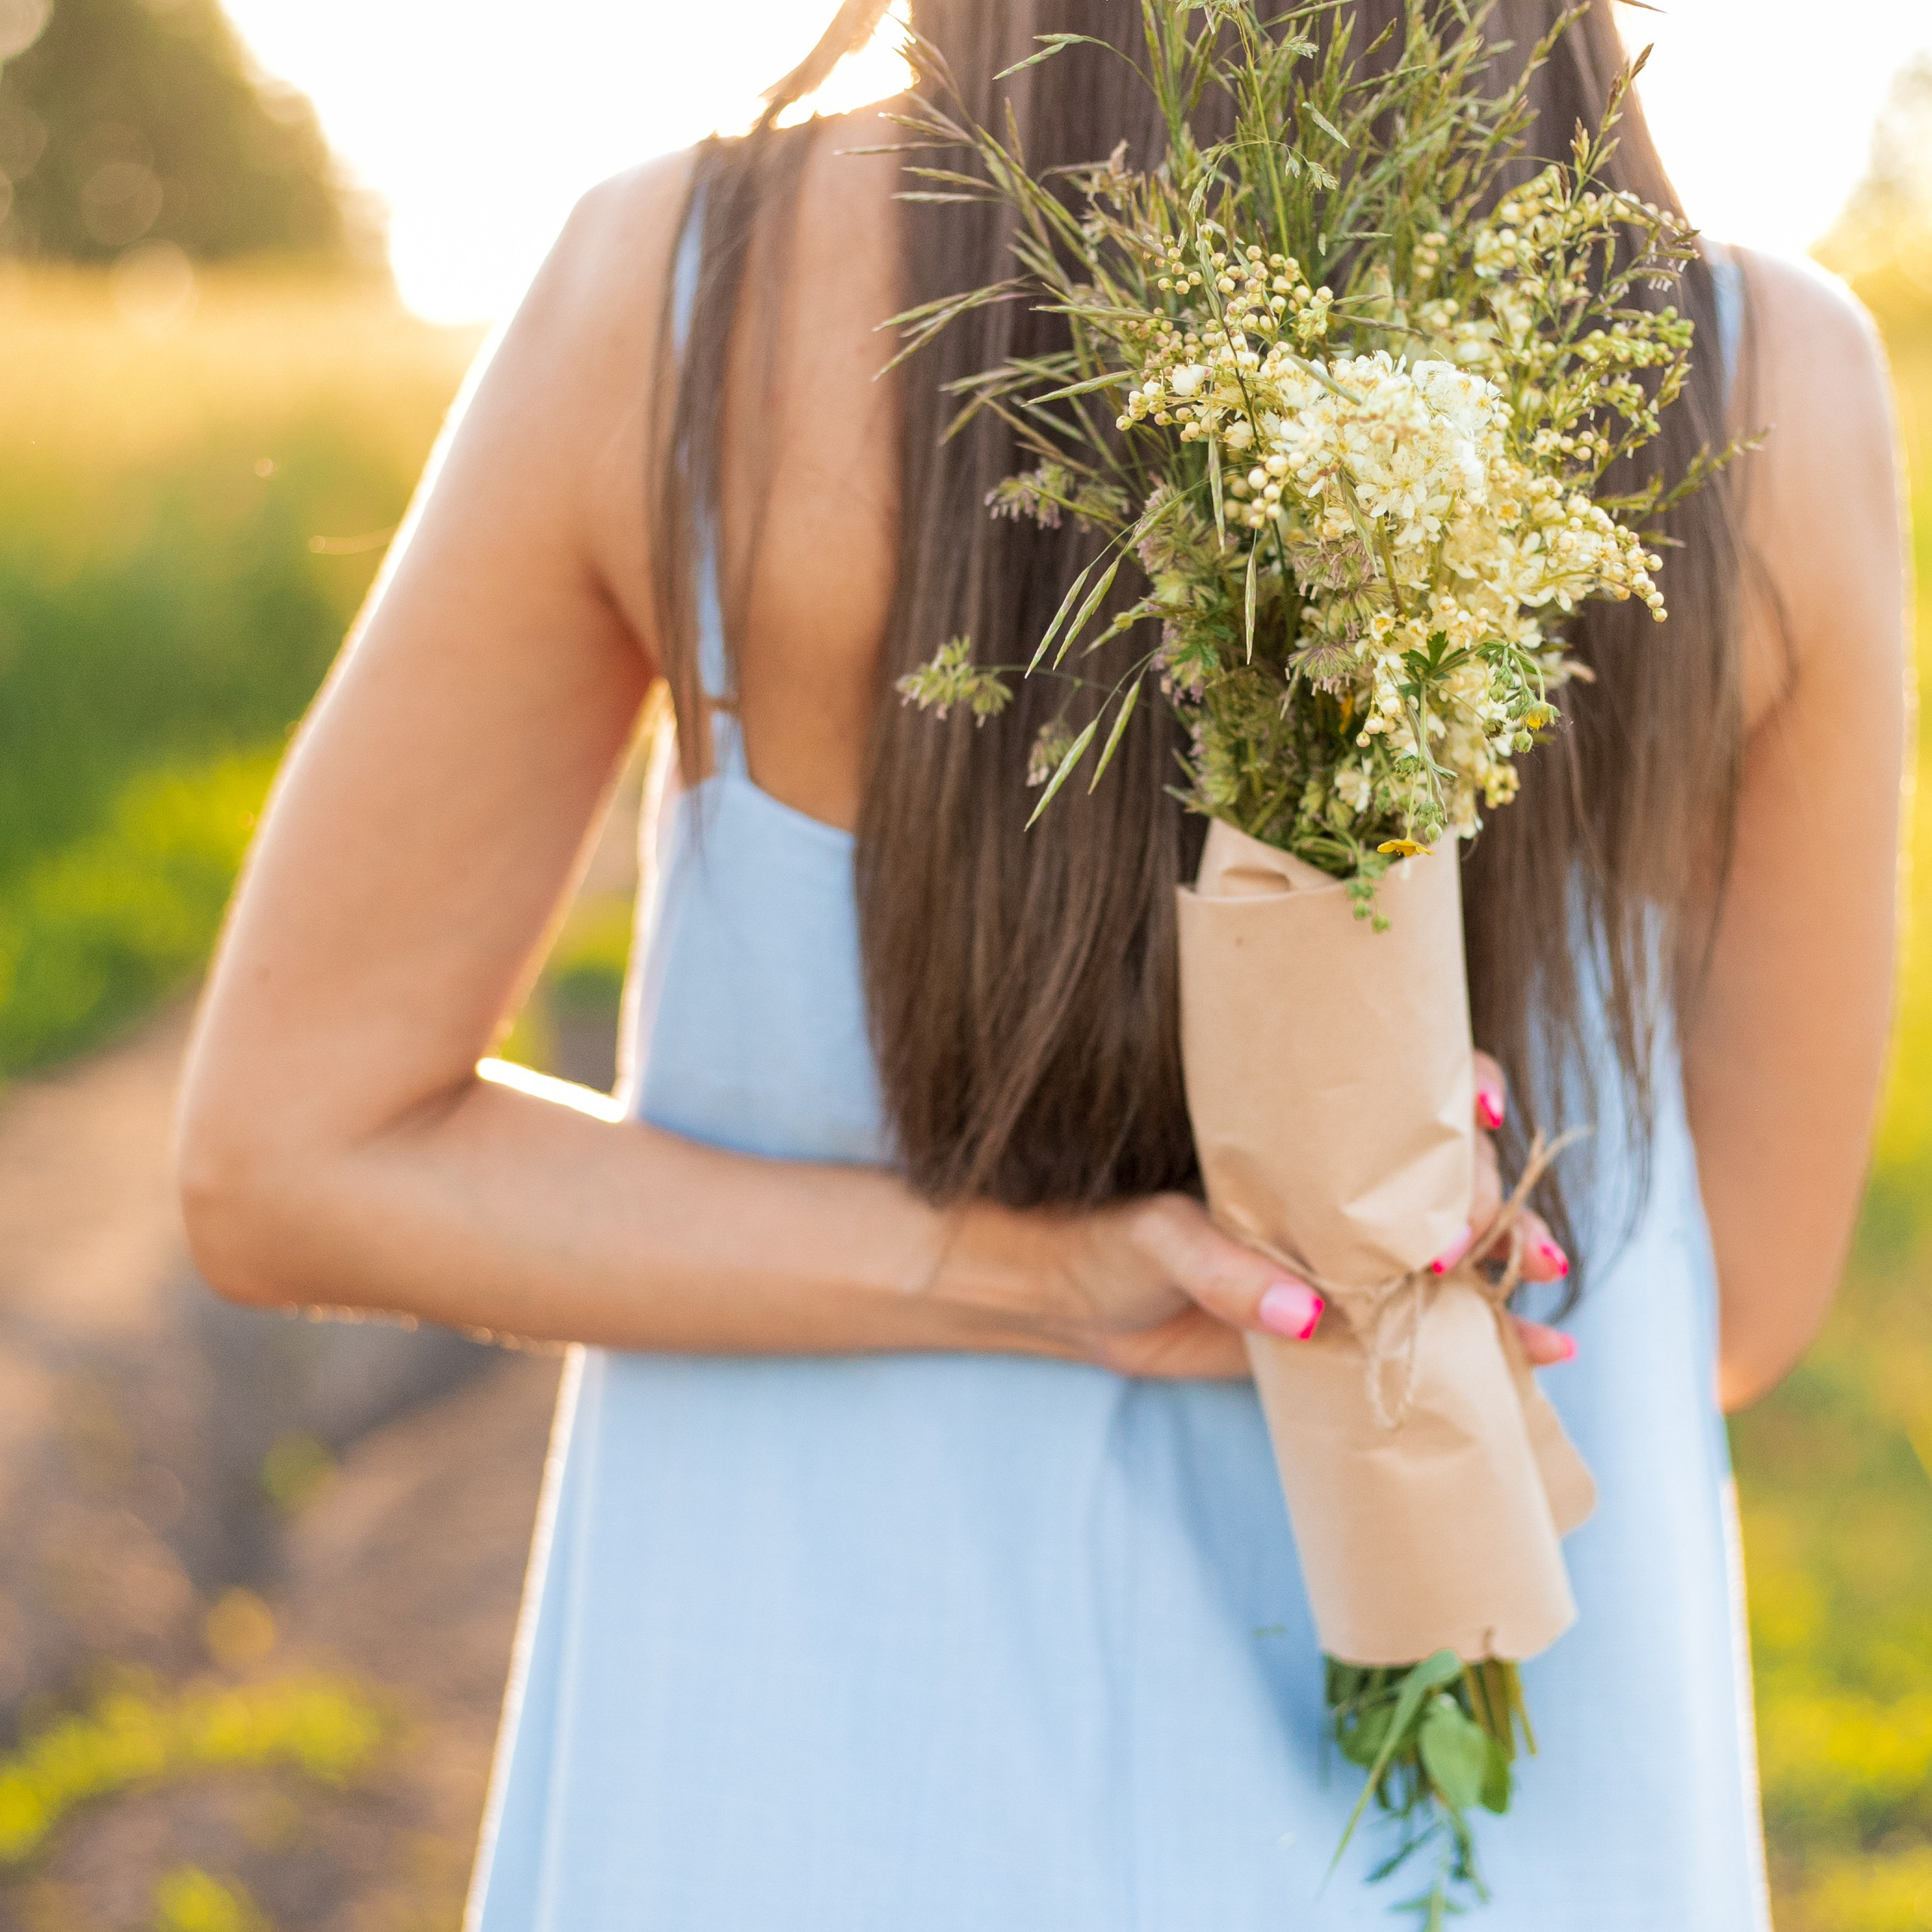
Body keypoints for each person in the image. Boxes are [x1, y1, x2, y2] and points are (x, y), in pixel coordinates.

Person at [176, 2, 1905, 1924]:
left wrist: (1041, 1277)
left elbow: (287, 1158)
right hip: (1502, 1835)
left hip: (809, 1794)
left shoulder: (683, 301)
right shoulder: (1770, 395)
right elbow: (1735, 1298)